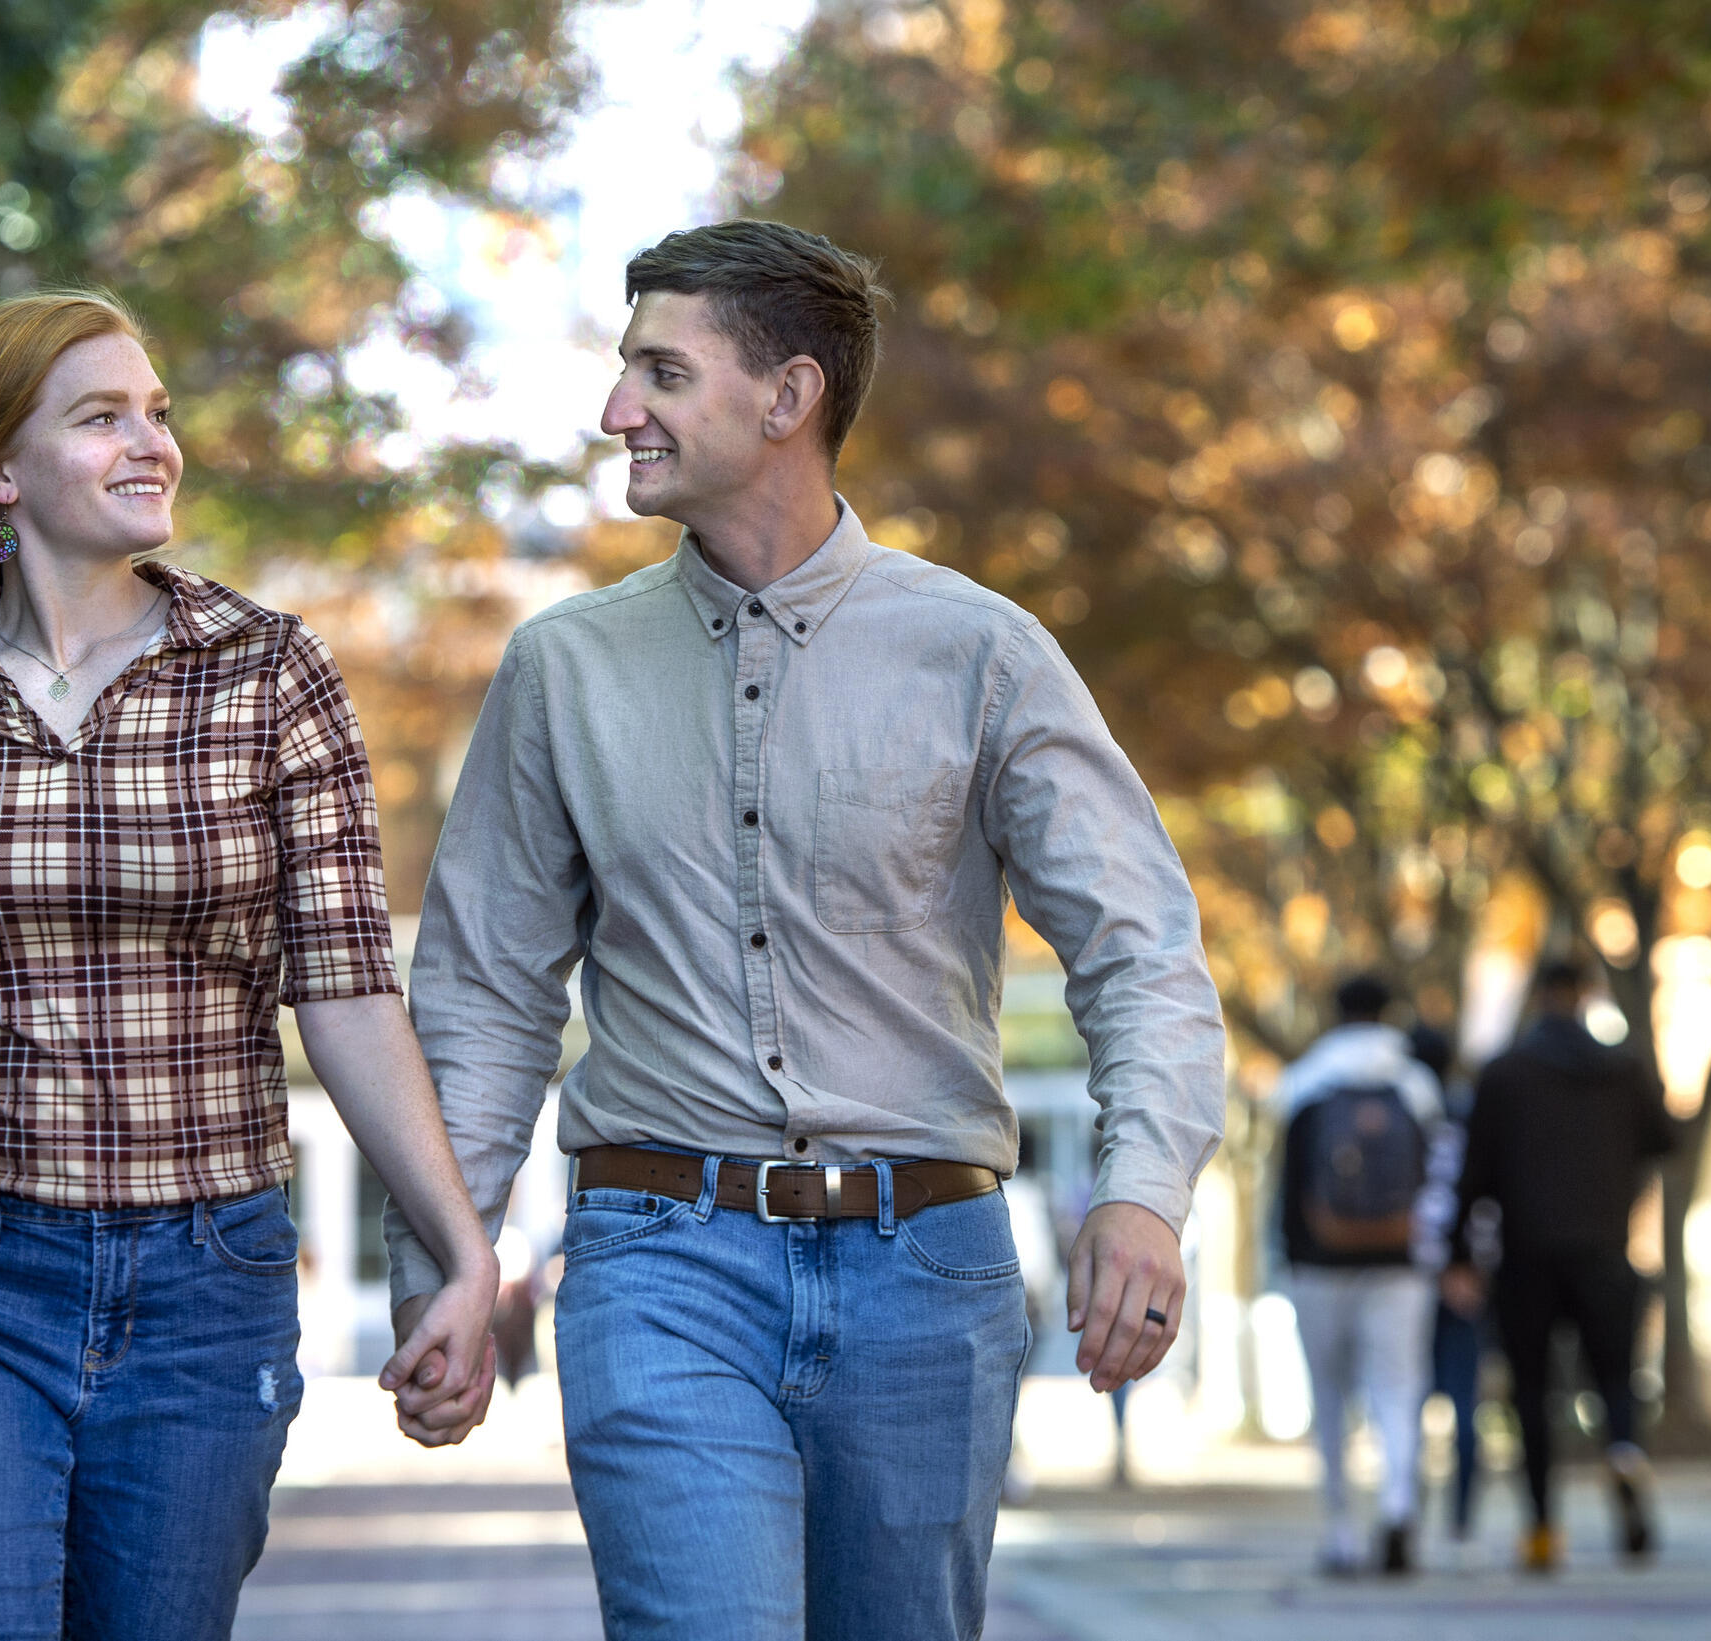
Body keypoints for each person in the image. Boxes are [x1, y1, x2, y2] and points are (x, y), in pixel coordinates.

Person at [382, 220, 1228, 1639]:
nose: (615, 411)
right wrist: (447, 1270)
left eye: (662, 371)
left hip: (928, 1274)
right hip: (660, 1260)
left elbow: (1138, 941)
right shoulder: (562, 670)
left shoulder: (982, 653)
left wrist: (1143, 1187)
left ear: (788, 400)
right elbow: (482, 997)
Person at [0, 291, 498, 1641]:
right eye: (103, 416)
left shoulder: (266, 671)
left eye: (159, 412)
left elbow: (351, 991)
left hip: (205, 1278)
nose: (154, 443)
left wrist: (462, 1255)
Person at [1443, 957, 1674, 1572]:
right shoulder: (1624, 1070)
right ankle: (1623, 1452)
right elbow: (1665, 1139)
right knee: (1616, 1381)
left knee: (1531, 1394)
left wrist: (1459, 1254)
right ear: (1584, 996)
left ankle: (1543, 1530)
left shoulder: (1504, 1074)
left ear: (1538, 998)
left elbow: (1473, 1177)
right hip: (1604, 1248)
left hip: (1526, 1259)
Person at [1273, 973, 1447, 1576]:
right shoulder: (1417, 1086)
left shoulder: (1303, 1083)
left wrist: (1292, 1258)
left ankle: (1341, 1532)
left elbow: (1289, 1190)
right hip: (1400, 1267)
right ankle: (1399, 1507)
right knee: (1398, 1392)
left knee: (1330, 1398)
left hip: (1320, 1266)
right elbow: (1437, 1180)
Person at [1412, 1022, 1489, 1556]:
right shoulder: (1466, 1117)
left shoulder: (1406, 1110)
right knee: (1465, 1406)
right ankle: (1460, 1520)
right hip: (1464, 1280)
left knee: (1406, 1404)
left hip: (1408, 1278)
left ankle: (1407, 1512)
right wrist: (1470, 1268)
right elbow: (1480, 1200)